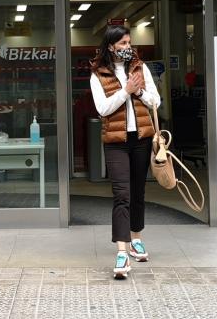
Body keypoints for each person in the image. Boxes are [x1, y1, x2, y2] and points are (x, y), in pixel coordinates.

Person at [90, 25, 161, 279]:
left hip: (142, 138)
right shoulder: (98, 74)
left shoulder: (141, 68)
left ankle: (136, 238)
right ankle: (121, 251)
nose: (127, 47)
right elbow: (103, 109)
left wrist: (139, 91)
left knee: (138, 190)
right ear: (110, 46)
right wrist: (125, 91)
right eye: (121, 44)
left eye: (129, 43)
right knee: (122, 194)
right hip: (116, 141)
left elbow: (156, 102)